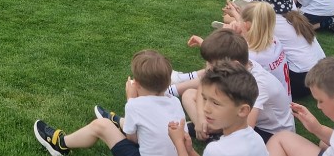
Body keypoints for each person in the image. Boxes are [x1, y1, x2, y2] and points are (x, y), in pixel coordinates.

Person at [33, 49, 186, 156]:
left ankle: (60, 144)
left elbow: (132, 140)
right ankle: (118, 122)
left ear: (137, 83)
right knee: (136, 125)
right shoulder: (174, 102)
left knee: (101, 125)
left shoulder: (134, 105)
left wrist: (131, 99)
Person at [179, 30, 293, 144]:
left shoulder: (258, 84)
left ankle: (211, 133)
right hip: (243, 115)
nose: (208, 68)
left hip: (270, 132)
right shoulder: (237, 69)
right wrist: (200, 118)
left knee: (228, 133)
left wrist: (212, 125)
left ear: (235, 64)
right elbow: (203, 87)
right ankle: (207, 130)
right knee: (189, 94)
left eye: (212, 64)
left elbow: (246, 130)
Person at [242, 0, 326, 99]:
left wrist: (236, 16)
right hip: (317, 73)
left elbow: (245, 30)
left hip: (302, 81)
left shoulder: (270, 20)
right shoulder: (288, 5)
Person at [167, 59, 268, 156]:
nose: (205, 108)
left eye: (215, 103)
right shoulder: (257, 139)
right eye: (204, 98)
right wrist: (190, 151)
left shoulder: (218, 150)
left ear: (242, 110)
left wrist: (179, 143)